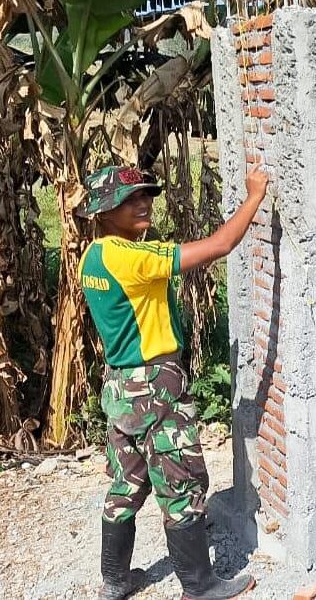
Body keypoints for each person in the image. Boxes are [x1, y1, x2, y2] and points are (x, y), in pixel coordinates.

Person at [80, 164, 268, 600]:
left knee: (127, 482)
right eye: (130, 200)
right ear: (105, 212)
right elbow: (221, 244)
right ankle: (199, 586)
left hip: (121, 388)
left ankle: (116, 579)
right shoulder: (132, 259)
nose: (143, 203)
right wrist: (255, 196)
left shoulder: (93, 257)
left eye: (146, 195)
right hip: (154, 387)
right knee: (181, 483)